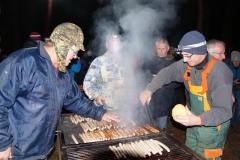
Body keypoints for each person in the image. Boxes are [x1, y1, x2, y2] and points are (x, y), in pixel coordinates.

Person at [0, 22, 119, 160]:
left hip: (41, 150)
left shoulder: (62, 73)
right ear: (63, 45)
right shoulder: (22, 62)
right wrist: (2, 143)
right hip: (17, 151)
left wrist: (100, 113)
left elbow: (76, 101)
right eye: (74, 51)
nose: (75, 57)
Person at [140, 30, 233, 159]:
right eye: (183, 55)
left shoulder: (219, 72)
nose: (184, 60)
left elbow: (224, 111)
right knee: (189, 153)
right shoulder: (187, 65)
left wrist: (198, 119)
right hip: (193, 120)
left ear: (201, 51)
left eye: (188, 55)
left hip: (212, 127)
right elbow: (165, 74)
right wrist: (149, 89)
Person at [83, 32, 136, 111]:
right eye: (112, 42)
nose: (114, 45)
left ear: (121, 45)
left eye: (117, 43)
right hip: (103, 109)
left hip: (123, 109)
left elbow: (131, 82)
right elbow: (88, 83)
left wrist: (133, 94)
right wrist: (96, 95)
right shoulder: (99, 62)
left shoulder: (126, 62)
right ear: (107, 44)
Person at [142, 38, 180, 130]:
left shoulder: (173, 63)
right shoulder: (150, 61)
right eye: (159, 49)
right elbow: (143, 75)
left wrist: (163, 85)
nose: (161, 51)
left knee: (161, 127)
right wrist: (149, 80)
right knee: (147, 127)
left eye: (163, 49)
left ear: (168, 48)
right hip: (150, 99)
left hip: (164, 100)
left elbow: (178, 83)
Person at [226, 51, 240, 132]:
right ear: (231, 60)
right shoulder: (226, 67)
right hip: (229, 91)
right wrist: (233, 82)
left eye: (238, 61)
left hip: (238, 92)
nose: (236, 63)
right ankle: (225, 123)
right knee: (228, 108)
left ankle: (234, 124)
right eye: (234, 61)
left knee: (238, 109)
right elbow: (224, 80)